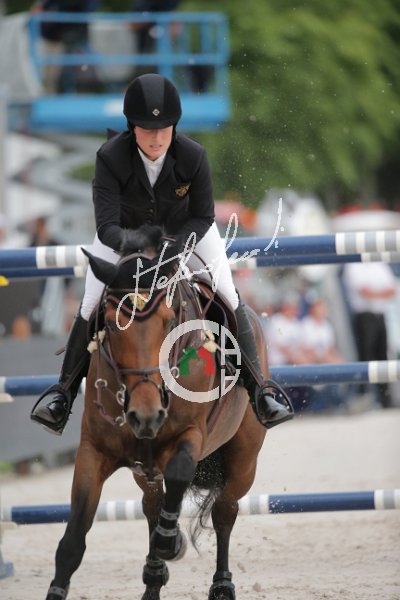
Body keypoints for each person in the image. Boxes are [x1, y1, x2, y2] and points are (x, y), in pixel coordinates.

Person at [31, 73, 293, 434]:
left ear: (174, 126)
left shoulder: (193, 155)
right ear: (132, 127)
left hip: (188, 232)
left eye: (163, 129)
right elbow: (106, 225)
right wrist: (137, 241)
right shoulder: (110, 157)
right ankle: (63, 394)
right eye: (146, 129)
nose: (156, 138)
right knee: (90, 301)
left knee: (228, 294)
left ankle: (259, 389)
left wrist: (174, 248)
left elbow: (202, 216)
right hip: (123, 234)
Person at [342, 261, 397, 408]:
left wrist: (373, 293)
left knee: (382, 356)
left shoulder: (378, 264)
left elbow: (392, 290)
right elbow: (364, 291)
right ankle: (363, 396)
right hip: (364, 317)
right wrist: (381, 293)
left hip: (380, 315)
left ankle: (385, 398)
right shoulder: (353, 265)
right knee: (365, 356)